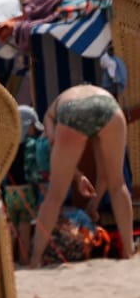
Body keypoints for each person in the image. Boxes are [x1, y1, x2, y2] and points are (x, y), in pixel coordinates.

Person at [29, 84, 133, 266]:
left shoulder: (51, 112)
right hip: (109, 106)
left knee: (54, 196)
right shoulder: (97, 92)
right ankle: (129, 250)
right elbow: (105, 176)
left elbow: (54, 142)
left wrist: (76, 177)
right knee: (119, 184)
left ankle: (35, 258)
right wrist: (93, 204)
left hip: (72, 110)